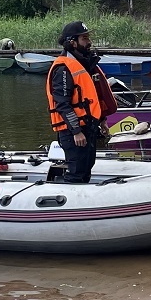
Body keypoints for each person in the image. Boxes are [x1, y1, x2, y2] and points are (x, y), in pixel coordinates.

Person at [47, 20, 118, 184]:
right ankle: (69, 204)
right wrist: (76, 131)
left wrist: (103, 121)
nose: (89, 42)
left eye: (88, 38)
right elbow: (62, 103)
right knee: (77, 171)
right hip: (73, 132)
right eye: (84, 38)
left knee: (87, 167)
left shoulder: (86, 64)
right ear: (72, 42)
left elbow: (93, 97)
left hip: (89, 127)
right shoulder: (63, 68)